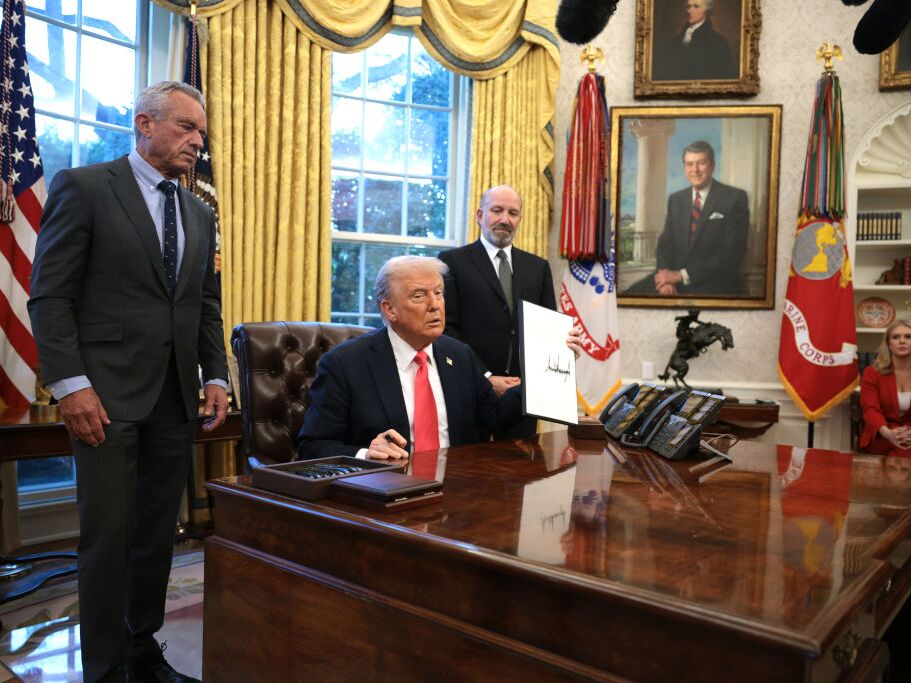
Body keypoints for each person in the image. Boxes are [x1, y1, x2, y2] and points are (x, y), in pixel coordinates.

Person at [28, 81, 228, 683]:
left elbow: (204, 303)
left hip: (173, 398)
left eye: (201, 131)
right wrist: (71, 387)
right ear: (145, 123)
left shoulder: (198, 209)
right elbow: (50, 296)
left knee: (154, 537)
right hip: (104, 398)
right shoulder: (86, 188)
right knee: (108, 539)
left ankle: (143, 650)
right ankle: (107, 669)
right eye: (187, 128)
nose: (198, 141)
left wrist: (216, 372)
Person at [296, 255, 579, 460]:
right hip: (388, 496)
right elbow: (313, 445)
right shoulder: (346, 364)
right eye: (420, 296)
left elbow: (497, 418)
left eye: (439, 293)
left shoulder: (459, 354)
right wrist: (365, 453)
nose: (435, 305)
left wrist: (550, 368)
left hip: (459, 496)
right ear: (389, 308)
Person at [438, 185, 556, 437]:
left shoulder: (538, 267)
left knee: (520, 473)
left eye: (513, 213)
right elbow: (445, 328)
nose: (505, 219)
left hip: (522, 394)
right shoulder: (452, 262)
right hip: (470, 389)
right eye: (497, 210)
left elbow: (549, 329)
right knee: (470, 471)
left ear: (520, 219)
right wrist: (486, 376)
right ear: (480, 215)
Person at [625, 141, 749, 296]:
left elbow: (733, 253)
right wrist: (665, 280)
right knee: (626, 296)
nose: (695, 170)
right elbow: (665, 246)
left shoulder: (734, 198)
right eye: (690, 164)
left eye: (701, 163)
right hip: (673, 281)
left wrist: (681, 275)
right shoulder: (676, 199)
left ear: (712, 166)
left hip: (713, 284)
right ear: (685, 168)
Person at [859, 319, 911, 457]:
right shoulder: (872, 373)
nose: (902, 341)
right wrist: (888, 434)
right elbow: (870, 409)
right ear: (888, 344)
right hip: (881, 434)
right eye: (896, 337)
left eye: (908, 337)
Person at [652, 0, 737, 81]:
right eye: (688, 6)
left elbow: (722, 76)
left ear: (707, 11)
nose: (689, 11)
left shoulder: (718, 43)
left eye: (696, 6)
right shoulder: (675, 41)